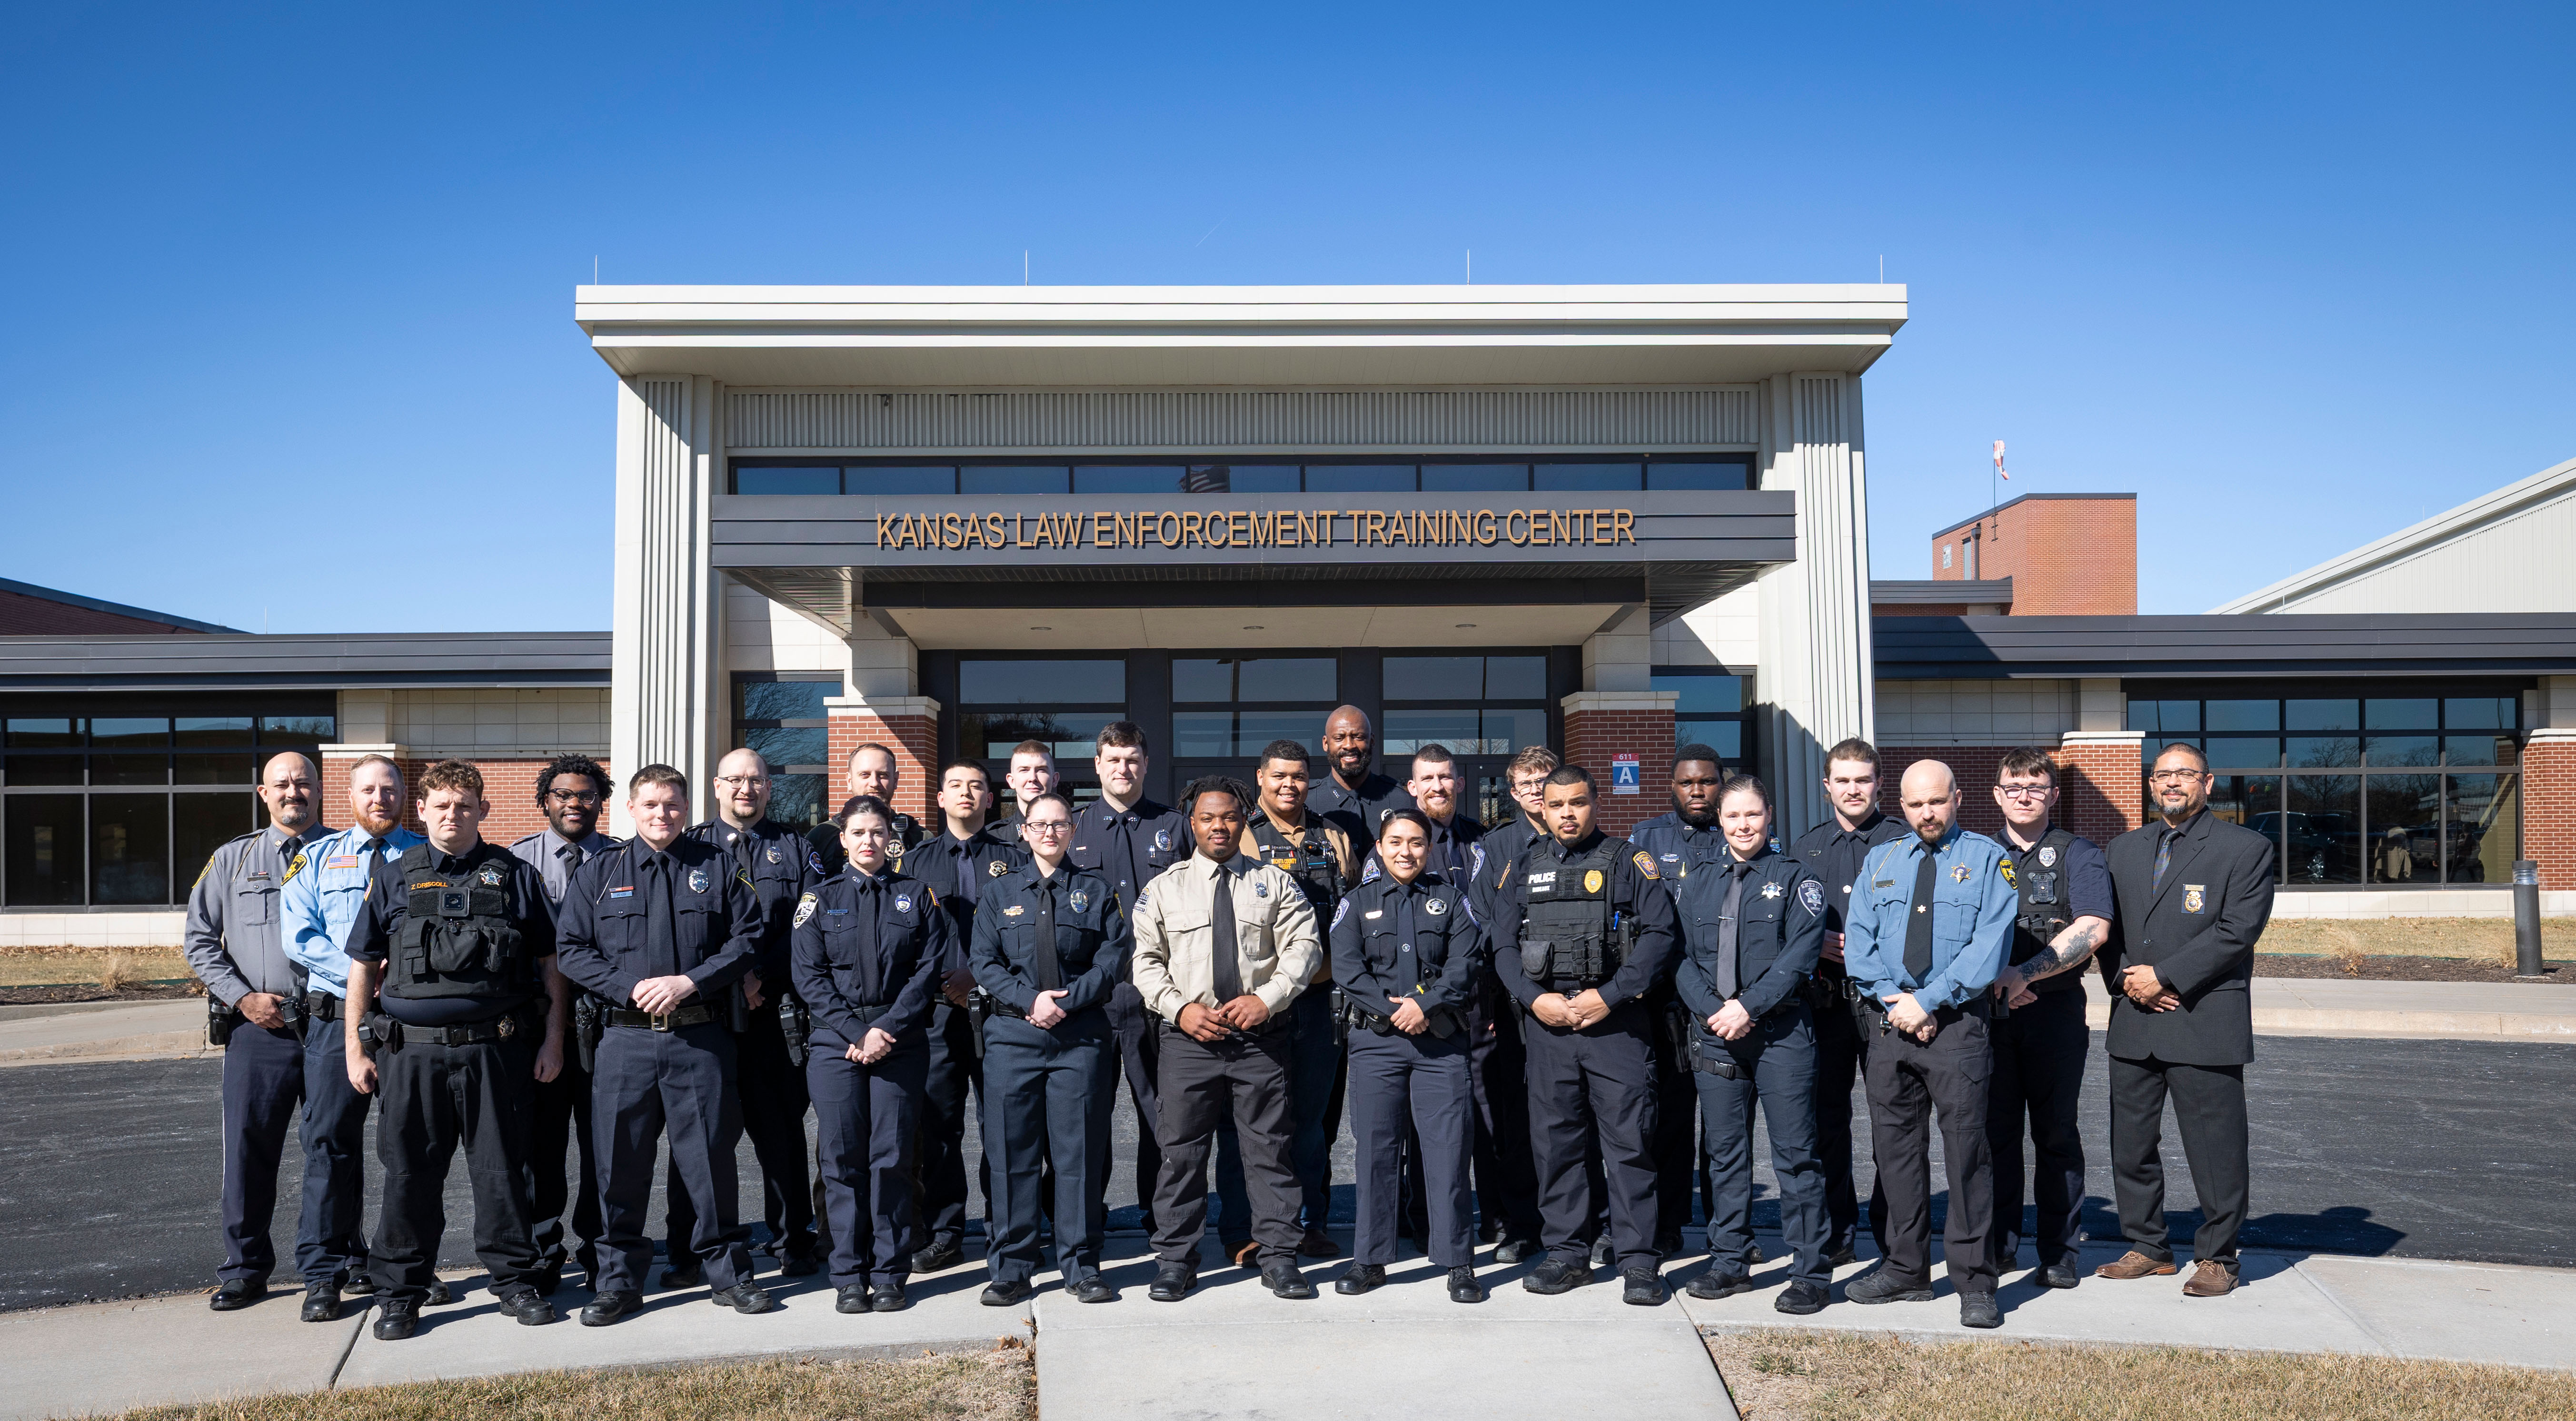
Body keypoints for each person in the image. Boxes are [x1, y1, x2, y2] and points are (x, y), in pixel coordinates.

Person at [338, 759, 567, 1340]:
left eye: (464, 806)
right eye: (440, 805)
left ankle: (516, 1282)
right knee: (409, 1175)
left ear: (482, 810)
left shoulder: (514, 875)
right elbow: (362, 966)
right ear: (422, 810)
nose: (451, 815)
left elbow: (551, 965)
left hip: (498, 1052)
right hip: (410, 1055)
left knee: (503, 1173)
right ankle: (401, 1293)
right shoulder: (394, 875)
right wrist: (354, 1049)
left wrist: (554, 1040)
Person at [555, 764, 773, 1325]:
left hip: (698, 1039)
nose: (662, 813)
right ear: (631, 809)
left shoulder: (720, 868)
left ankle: (727, 1274)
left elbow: (748, 938)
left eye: (672, 804)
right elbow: (573, 950)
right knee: (616, 1166)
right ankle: (618, 1282)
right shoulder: (599, 873)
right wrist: (627, 988)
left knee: (709, 1163)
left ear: (685, 806)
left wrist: (689, 981)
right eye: (650, 804)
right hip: (623, 1042)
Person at [1483, 765, 1681, 1306]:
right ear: (1540, 809)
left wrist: (1609, 996)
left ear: (1596, 804)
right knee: (1556, 1146)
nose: (1567, 814)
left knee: (1628, 1144)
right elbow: (1501, 945)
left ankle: (1639, 1260)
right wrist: (1533, 999)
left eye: (1577, 803)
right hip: (1548, 1026)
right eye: (1556, 805)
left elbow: (1660, 937)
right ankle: (1567, 1254)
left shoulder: (1628, 861)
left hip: (1614, 1023)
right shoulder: (1522, 864)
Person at [1130, 776, 1324, 1302]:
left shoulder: (1275, 884)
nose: (1219, 826)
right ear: (1191, 824)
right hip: (1188, 1042)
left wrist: (1269, 998)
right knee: (1180, 1154)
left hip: (1258, 1040)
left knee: (1269, 1151)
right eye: (1207, 818)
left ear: (1244, 822)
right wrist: (1180, 1009)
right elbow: (1144, 963)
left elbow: (1304, 947)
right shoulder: (1164, 888)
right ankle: (1175, 1260)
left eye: (1230, 817)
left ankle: (1278, 1256)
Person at [1839, 760, 2017, 1330]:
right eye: (1916, 805)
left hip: (1957, 1027)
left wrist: (1930, 1001)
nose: (1926, 814)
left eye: (1936, 802)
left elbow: (1989, 946)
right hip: (1889, 1025)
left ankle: (1973, 1281)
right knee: (1894, 1153)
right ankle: (1905, 1269)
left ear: (1957, 798)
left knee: (1967, 1155)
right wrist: (1897, 1002)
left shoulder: (1989, 861)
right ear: (1903, 803)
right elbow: (1858, 944)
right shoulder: (1882, 860)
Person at [2094, 742, 2276, 1298]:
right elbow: (2105, 927)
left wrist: (2165, 976)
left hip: (2202, 1018)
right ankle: (2147, 1246)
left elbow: (2236, 931)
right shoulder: (2122, 849)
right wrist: (2129, 978)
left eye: (2184, 775)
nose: (2172, 783)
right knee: (2130, 1146)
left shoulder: (2245, 849)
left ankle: (2217, 1256)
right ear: (2150, 785)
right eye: (2162, 775)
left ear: (2208, 782)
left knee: (2215, 1150)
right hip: (2134, 1018)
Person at [790, 795, 960, 1313]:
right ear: (842, 839)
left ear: (891, 839)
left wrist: (884, 1028)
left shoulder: (917, 897)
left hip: (899, 1041)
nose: (868, 841)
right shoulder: (818, 901)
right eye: (858, 832)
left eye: (878, 832)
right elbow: (808, 978)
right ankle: (846, 1274)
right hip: (834, 1044)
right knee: (841, 1160)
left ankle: (889, 1274)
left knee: (890, 1159)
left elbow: (928, 971)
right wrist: (854, 1031)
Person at [664, 748, 826, 1282]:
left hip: (772, 1014)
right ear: (716, 786)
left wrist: (759, 976)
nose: (745, 789)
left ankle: (793, 1240)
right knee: (700, 1136)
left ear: (769, 788)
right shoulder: (687, 850)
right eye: (734, 780)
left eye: (755, 780)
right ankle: (689, 1248)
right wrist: (732, 977)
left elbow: (808, 924)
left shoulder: (796, 849)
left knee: (780, 1135)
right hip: (707, 1017)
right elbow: (680, 936)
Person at [1672, 775, 1831, 1315]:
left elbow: (1799, 958)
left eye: (1752, 815)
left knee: (1795, 1158)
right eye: (1732, 816)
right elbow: (1680, 959)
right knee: (1724, 1156)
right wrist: (1714, 1012)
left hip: (1779, 1036)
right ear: (1720, 820)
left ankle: (1809, 1271)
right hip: (1716, 1035)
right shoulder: (1696, 882)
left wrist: (1746, 1007)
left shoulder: (1796, 881)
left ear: (1769, 817)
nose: (1742, 826)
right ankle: (1729, 1262)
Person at [969, 789, 1129, 1305]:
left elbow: (1113, 958)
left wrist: (1065, 1002)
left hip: (1077, 1038)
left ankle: (1080, 1265)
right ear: (1023, 830)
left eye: (1059, 824)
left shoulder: (1096, 891)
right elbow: (984, 962)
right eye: (1039, 825)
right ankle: (1012, 1267)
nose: (1050, 833)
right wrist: (1029, 1002)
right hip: (1012, 1037)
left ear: (1072, 831)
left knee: (1076, 1154)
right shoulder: (998, 893)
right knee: (1011, 1154)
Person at [282, 754, 428, 1314]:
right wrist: (362, 967)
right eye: (368, 790)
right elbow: (298, 936)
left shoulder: (427, 856)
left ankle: (407, 1264)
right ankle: (325, 1270)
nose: (379, 799)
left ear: (404, 795)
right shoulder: (315, 858)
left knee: (411, 1147)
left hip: (406, 1025)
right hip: (333, 1019)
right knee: (329, 1145)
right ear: (350, 797)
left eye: (389, 790)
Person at [185, 752, 328, 1315]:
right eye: (282, 785)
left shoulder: (344, 857)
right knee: (248, 1150)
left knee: (333, 1150)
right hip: (258, 1028)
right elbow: (199, 941)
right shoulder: (232, 860)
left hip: (331, 1024)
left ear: (319, 790)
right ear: (262, 794)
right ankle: (245, 1269)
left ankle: (341, 1259)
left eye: (303, 783)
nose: (293, 792)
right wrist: (243, 998)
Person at [1331, 809, 1488, 1304]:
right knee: (1376, 1152)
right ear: (1378, 846)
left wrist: (1423, 1004)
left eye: (1416, 843)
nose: (1406, 852)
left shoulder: (1452, 900)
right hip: (1376, 1045)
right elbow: (1346, 967)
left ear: (1429, 847)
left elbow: (1466, 963)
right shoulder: (1355, 903)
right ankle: (1370, 1260)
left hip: (1439, 1044)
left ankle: (1457, 1262)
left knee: (1447, 1152)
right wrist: (1393, 1011)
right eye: (1395, 842)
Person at [1983, 748, 2114, 1291]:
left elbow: (2091, 928)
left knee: (2055, 1133)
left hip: (2054, 1013)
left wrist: (2024, 976)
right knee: (1993, 1137)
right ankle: (1996, 1247)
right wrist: (1998, 983)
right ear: (1996, 795)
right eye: (2013, 786)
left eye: (2035, 786)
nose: (2023, 794)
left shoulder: (2079, 855)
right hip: (1986, 1013)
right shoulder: (1973, 854)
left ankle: (2059, 1251)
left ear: (2053, 795)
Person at [1224, 739, 1360, 1263]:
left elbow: (1350, 910)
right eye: (1278, 776)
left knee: (1310, 1124)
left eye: (1298, 777)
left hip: (1319, 1001)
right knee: (1255, 1120)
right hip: (1260, 1004)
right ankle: (1250, 1229)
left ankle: (1308, 1224)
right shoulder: (1242, 837)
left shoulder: (1334, 837)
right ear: (1260, 779)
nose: (1289, 785)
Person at [901, 759, 1028, 1272]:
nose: (966, 793)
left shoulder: (1014, 858)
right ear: (939, 798)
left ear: (990, 799)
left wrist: (979, 977)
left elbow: (1023, 934)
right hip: (935, 1015)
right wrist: (940, 982)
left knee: (1003, 1124)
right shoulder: (915, 861)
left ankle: (1005, 1228)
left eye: (976, 786)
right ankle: (946, 1231)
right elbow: (902, 937)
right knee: (939, 1129)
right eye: (956, 785)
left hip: (1000, 1011)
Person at [1787, 738, 1909, 1267]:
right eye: (1843, 780)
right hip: (1825, 1003)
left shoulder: (1905, 842)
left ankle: (1893, 1239)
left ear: (1879, 784)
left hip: (1886, 1005)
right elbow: (1785, 926)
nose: (1853, 789)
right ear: (1826, 786)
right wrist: (1814, 942)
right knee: (1826, 1122)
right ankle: (1837, 1231)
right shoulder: (1803, 849)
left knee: (1892, 1124)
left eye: (1863, 780)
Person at [505, 755, 623, 1295]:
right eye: (562, 795)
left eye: (586, 795)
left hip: (608, 1022)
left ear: (601, 800)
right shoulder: (514, 863)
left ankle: (602, 1248)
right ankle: (543, 1249)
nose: (575, 804)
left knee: (606, 1143)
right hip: (540, 1025)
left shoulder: (625, 860)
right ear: (544, 801)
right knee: (541, 1145)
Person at [1068, 722, 1189, 1232]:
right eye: (1113, 760)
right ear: (1097, 765)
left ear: (1146, 763)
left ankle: (1157, 1214)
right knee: (1085, 1113)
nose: (1123, 768)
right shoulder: (1071, 829)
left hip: (1155, 997)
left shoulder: (1175, 826)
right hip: (1090, 999)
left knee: (1159, 1113)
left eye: (1132, 759)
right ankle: (1084, 1215)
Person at [1628, 745, 1735, 1258]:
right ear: (1671, 787)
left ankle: (1727, 1231)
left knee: (1724, 1125)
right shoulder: (1646, 839)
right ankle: (1667, 1224)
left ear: (1721, 783)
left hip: (1724, 1001)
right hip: (1665, 1004)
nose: (1697, 791)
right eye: (1687, 783)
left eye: (1707, 782)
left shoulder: (1740, 832)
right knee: (1667, 1119)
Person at [1462, 744, 1555, 1261]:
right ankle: (1520, 1221)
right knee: (1512, 1118)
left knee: (1571, 1114)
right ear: (1513, 792)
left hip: (1573, 1002)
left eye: (1544, 782)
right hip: (1510, 1006)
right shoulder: (1495, 848)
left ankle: (1579, 1217)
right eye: (1525, 786)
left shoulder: (1586, 840)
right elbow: (1479, 923)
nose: (1536, 794)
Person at [809, 743, 925, 875]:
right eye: (865, 775)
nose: (874, 783)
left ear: (896, 780)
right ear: (849, 780)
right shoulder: (822, 836)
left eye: (883, 775)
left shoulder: (920, 838)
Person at [1306, 705, 1416, 844]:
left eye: (1358, 737)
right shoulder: (1306, 804)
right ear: (1326, 744)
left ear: (1372, 741)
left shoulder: (1401, 800)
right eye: (1339, 738)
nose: (1349, 745)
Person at [986, 739, 1061, 845]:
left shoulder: (1074, 835)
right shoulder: (993, 839)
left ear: (1054, 779)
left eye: (1041, 770)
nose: (1032, 778)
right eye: (1024, 770)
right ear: (1011, 781)